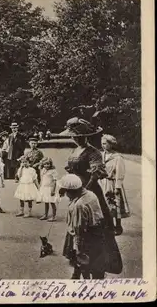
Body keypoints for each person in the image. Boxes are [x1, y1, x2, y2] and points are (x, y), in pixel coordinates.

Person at [59, 117, 122, 277]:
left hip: (90, 194)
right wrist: (67, 184)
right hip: (75, 192)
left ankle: (96, 265)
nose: (75, 139)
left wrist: (81, 192)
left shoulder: (93, 152)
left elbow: (95, 175)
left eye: (78, 137)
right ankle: (78, 264)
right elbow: (73, 170)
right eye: (73, 136)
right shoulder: (74, 151)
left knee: (91, 230)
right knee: (77, 227)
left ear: (84, 137)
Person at [59, 174, 112, 279]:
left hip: (87, 236)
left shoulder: (80, 204)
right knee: (96, 262)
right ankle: (81, 275)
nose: (66, 195)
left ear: (71, 191)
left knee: (84, 262)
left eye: (66, 192)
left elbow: (80, 229)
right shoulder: (90, 194)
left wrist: (78, 248)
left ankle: (86, 282)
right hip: (98, 233)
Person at [99, 134, 130, 236]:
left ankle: (118, 226)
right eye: (102, 144)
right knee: (106, 204)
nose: (103, 146)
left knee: (115, 204)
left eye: (105, 144)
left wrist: (117, 186)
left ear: (111, 144)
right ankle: (109, 225)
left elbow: (120, 173)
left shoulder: (117, 157)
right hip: (103, 182)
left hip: (113, 183)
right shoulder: (101, 155)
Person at [38, 157, 60, 222]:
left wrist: (53, 190)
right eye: (45, 164)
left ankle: (54, 216)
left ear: (51, 164)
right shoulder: (43, 170)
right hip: (45, 188)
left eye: (48, 164)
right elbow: (42, 178)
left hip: (50, 188)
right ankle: (46, 214)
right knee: (46, 202)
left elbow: (54, 181)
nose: (47, 165)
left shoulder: (53, 171)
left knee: (52, 202)